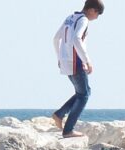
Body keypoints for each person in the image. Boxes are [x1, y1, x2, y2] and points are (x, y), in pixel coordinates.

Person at [51, 0, 104, 138]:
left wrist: (59, 57)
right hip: (76, 62)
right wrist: (88, 60)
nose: (97, 18)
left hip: (65, 61)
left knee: (82, 93)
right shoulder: (83, 20)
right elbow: (76, 39)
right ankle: (68, 130)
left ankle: (60, 114)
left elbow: (56, 39)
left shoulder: (70, 18)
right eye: (98, 14)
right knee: (84, 95)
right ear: (92, 10)